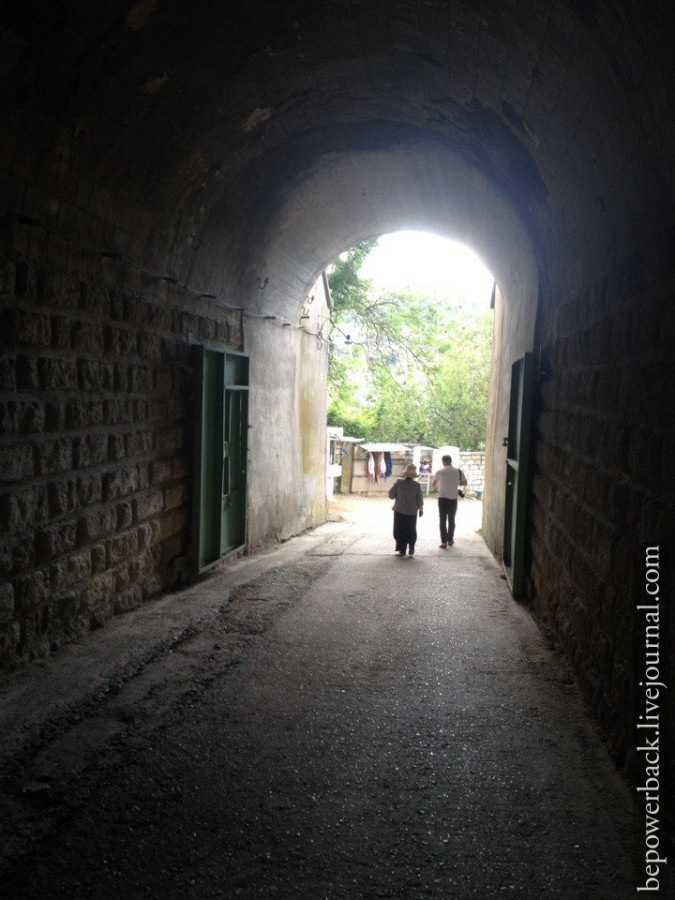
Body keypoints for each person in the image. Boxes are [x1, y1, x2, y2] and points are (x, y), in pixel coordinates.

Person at [388, 463, 424, 556]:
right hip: (412, 513)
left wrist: (397, 495)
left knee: (399, 530)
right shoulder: (417, 485)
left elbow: (390, 495)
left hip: (399, 511)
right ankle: (411, 545)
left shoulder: (399, 482)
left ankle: (402, 549)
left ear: (405, 473)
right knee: (411, 530)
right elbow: (420, 499)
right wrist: (421, 510)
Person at [432, 455, 466, 548]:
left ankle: (444, 542)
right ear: (451, 461)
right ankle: (450, 540)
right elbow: (465, 482)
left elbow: (434, 483)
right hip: (453, 499)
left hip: (442, 498)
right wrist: (456, 482)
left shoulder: (440, 471)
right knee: (452, 520)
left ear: (443, 461)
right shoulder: (458, 471)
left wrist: (435, 489)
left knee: (442, 520)